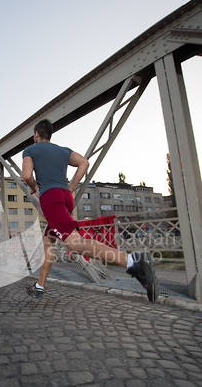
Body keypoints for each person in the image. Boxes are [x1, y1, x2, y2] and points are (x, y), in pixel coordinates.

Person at [22, 119, 159, 303]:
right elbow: (84, 163)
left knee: (74, 244)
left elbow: (27, 175)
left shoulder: (31, 150)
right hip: (65, 197)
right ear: (49, 134)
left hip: (51, 199)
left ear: (36, 135)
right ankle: (39, 287)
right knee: (49, 243)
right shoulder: (63, 150)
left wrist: (33, 187)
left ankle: (134, 262)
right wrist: (71, 186)